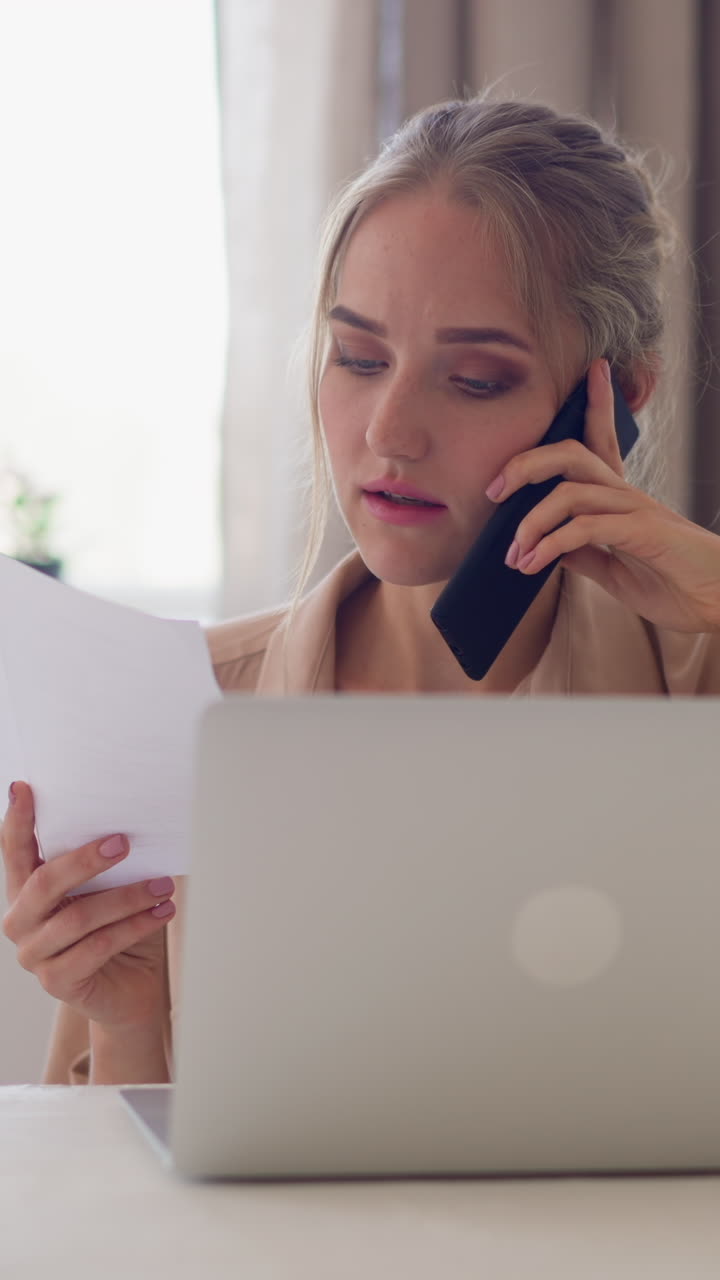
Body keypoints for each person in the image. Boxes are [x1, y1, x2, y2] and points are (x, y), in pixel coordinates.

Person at [3, 95, 720, 1086]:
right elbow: (138, 1232)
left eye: (472, 378)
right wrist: (128, 1016)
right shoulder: (191, 712)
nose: (389, 431)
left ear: (614, 403)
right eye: (359, 357)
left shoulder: (698, 681)